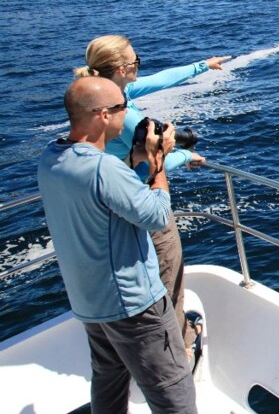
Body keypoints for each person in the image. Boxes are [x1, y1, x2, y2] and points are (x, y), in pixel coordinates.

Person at [36, 76, 196, 413]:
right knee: (172, 387)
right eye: (123, 108)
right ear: (103, 115)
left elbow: (109, 199)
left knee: (108, 381)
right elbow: (155, 214)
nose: (130, 115)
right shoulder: (104, 168)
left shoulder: (51, 158)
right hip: (134, 305)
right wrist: (158, 165)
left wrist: (140, 163)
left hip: (92, 302)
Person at [76, 34, 229, 352]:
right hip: (139, 200)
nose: (138, 67)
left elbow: (159, 80)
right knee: (167, 270)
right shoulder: (127, 117)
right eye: (135, 62)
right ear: (120, 68)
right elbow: (152, 163)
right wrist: (187, 156)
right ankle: (181, 347)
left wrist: (202, 65)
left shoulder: (106, 95)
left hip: (111, 200)